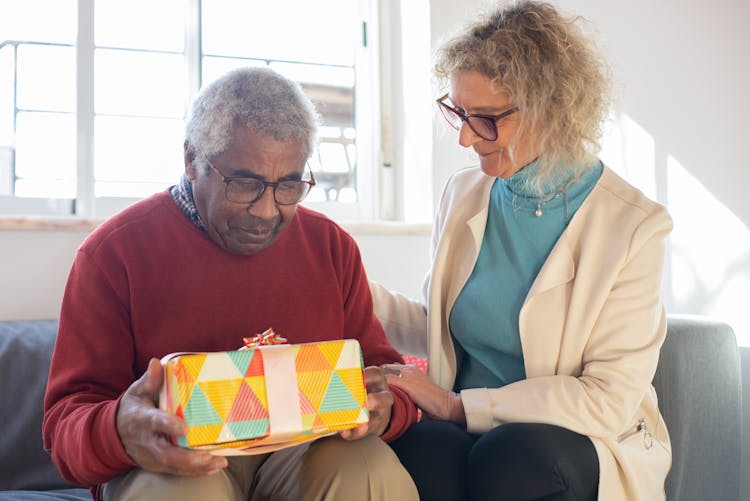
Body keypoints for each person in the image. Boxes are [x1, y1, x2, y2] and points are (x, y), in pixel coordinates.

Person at [43, 67, 419, 501]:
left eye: (289, 186)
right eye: (245, 184)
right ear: (191, 160)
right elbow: (64, 425)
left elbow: (386, 376)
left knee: (368, 469)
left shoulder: (331, 246)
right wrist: (117, 430)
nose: (266, 211)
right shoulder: (114, 253)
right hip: (174, 464)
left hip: (305, 457)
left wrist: (386, 409)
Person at [373, 2, 673, 500]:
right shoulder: (464, 192)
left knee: (510, 455)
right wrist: (347, 285)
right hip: (467, 424)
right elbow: (440, 325)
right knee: (419, 449)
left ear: (551, 109)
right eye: (460, 113)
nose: (467, 137)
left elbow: (605, 400)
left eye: (486, 119)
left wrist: (456, 406)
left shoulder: (634, 226)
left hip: (576, 438)